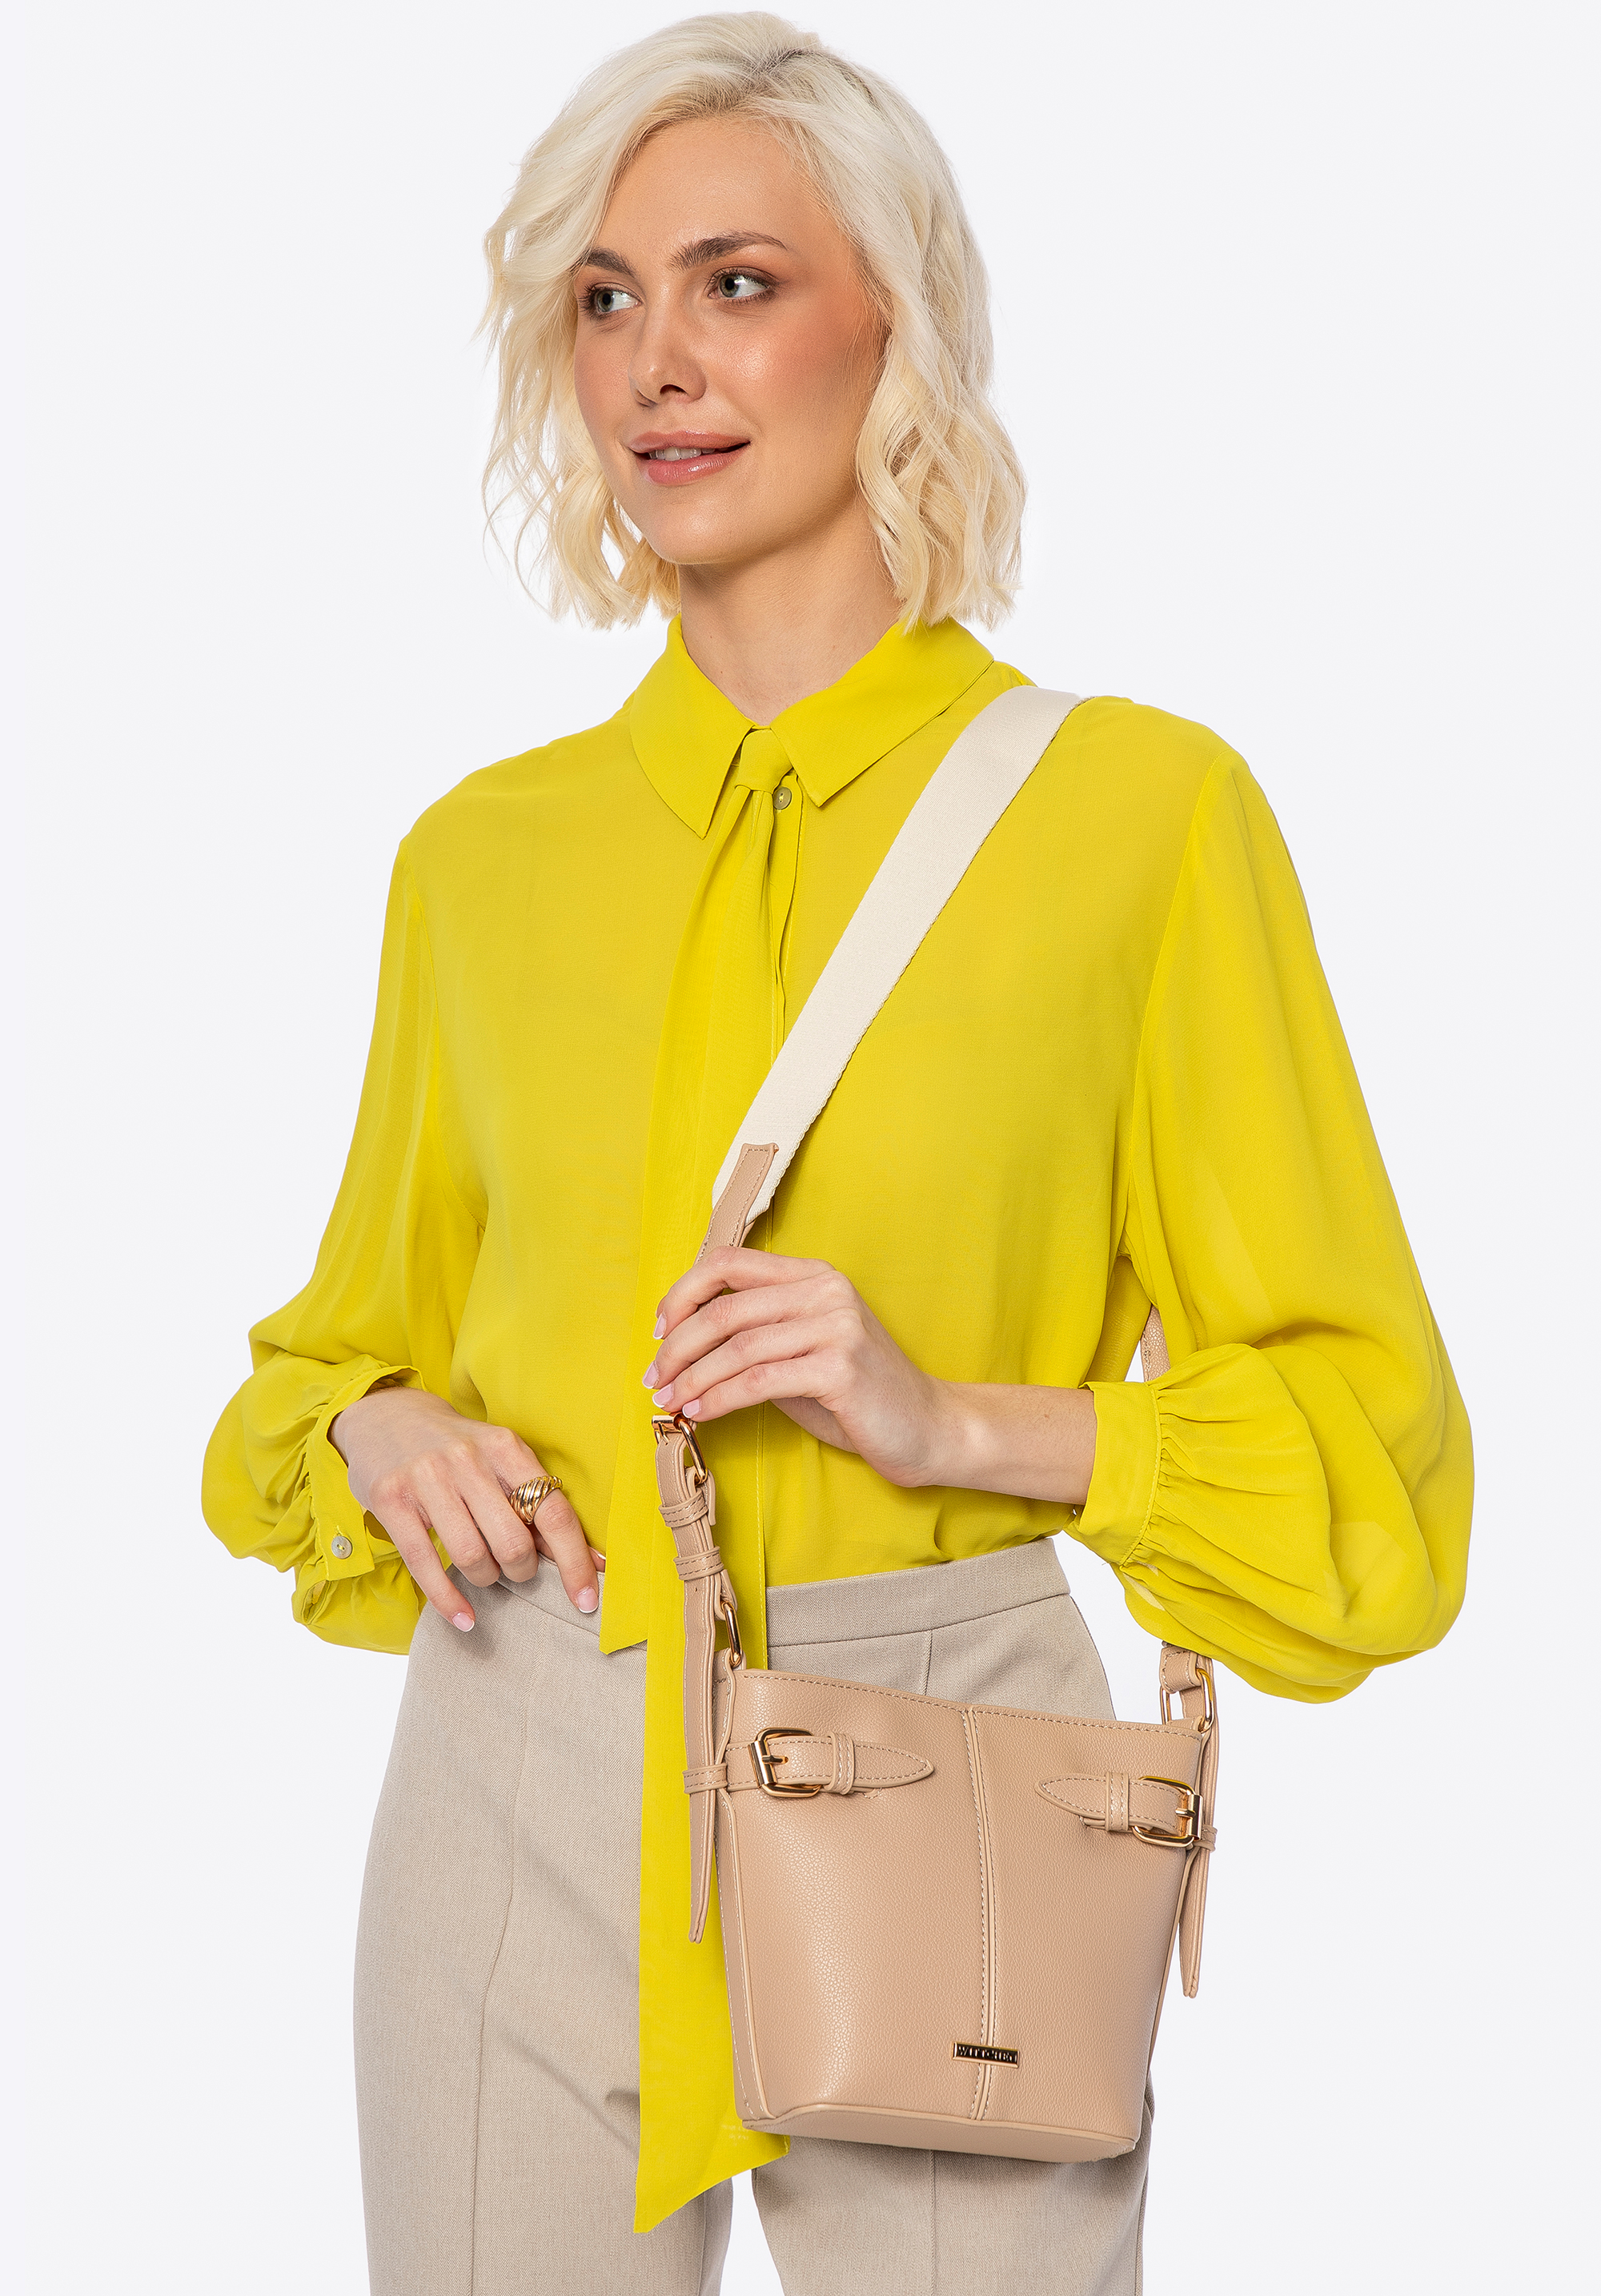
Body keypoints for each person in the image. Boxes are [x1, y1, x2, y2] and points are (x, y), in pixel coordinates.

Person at [201, 15, 1473, 2294]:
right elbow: (321, 1365)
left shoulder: (1142, 819)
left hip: (946, 1763)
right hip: (517, 1757)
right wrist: (380, 1429)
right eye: (606, 297)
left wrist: (951, 1420)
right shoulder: (479, 863)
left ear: (896, 324)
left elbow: (1370, 1458)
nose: (657, 363)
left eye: (739, 282)